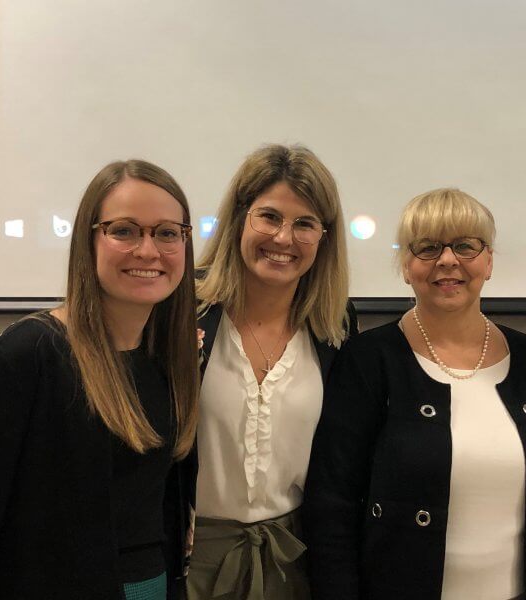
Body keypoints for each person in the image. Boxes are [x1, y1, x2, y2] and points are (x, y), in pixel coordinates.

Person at [0, 160, 201, 600]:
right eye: (125, 230)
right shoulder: (23, 360)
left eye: (167, 232)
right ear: (88, 240)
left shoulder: (170, 360)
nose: (148, 251)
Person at [304, 188, 526, 600]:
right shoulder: (369, 360)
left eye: (465, 245)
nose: (447, 260)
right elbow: (332, 503)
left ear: (489, 261)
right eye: (427, 248)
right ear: (406, 267)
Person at [186, 144, 356, 600]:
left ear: (324, 237)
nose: (283, 239)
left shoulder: (336, 326)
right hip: (188, 564)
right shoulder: (182, 310)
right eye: (269, 217)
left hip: (292, 564)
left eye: (305, 223)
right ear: (240, 218)